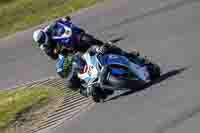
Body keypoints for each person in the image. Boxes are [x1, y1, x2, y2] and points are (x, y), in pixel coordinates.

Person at [56, 43, 142, 98]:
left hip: (97, 66)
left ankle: (129, 55)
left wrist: (98, 49)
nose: (66, 74)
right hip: (96, 82)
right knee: (96, 94)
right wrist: (88, 91)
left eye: (65, 71)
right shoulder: (73, 81)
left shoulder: (77, 56)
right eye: (64, 73)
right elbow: (83, 92)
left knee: (107, 46)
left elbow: (90, 50)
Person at [33, 16, 104, 60]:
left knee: (77, 32)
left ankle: (102, 45)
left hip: (63, 37)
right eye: (41, 40)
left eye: (42, 37)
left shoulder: (47, 29)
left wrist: (64, 19)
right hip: (60, 48)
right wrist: (56, 50)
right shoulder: (44, 47)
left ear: (43, 33)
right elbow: (53, 57)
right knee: (69, 55)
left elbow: (56, 22)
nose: (43, 39)